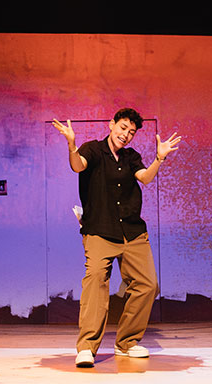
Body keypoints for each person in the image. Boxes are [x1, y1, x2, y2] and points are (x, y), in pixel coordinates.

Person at [52, 108, 181, 368]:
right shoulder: (92, 150)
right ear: (112, 124)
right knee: (96, 279)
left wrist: (159, 159)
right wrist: (71, 144)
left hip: (132, 231)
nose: (126, 135)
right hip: (100, 229)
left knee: (147, 285)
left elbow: (144, 177)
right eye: (123, 128)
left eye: (131, 132)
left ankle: (127, 343)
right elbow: (78, 165)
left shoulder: (132, 156)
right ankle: (87, 347)